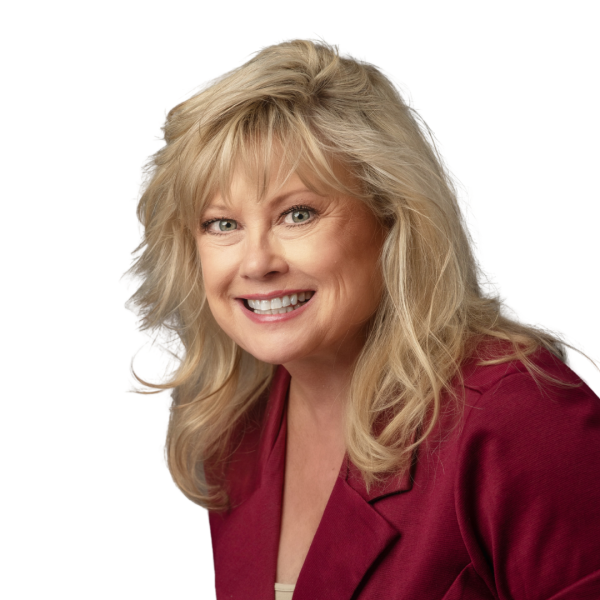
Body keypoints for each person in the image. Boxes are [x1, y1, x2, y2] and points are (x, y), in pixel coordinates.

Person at [129, 40, 600, 599]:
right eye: (222, 224)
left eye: (297, 214)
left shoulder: (517, 418)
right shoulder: (236, 429)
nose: (255, 263)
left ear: (393, 219)